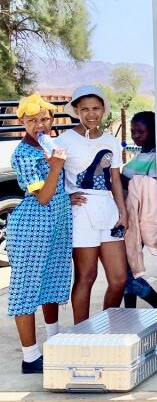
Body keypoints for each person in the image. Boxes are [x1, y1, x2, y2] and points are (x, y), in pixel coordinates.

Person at [7, 93, 73, 374]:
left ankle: (54, 341)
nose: (39, 125)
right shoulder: (23, 154)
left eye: (44, 119)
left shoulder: (50, 146)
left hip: (55, 225)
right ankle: (30, 357)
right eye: (32, 120)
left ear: (52, 120)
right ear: (22, 121)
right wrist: (56, 166)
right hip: (32, 228)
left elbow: (57, 191)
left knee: (51, 283)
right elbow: (43, 197)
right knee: (26, 289)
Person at [55, 85, 129, 324]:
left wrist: (123, 212)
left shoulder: (111, 141)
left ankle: (106, 327)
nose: (91, 114)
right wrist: (65, 198)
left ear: (103, 110)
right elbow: (51, 178)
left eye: (96, 108)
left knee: (119, 279)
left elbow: (115, 179)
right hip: (80, 212)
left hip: (108, 211)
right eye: (85, 109)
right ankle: (81, 332)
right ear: (76, 110)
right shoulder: (64, 141)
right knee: (86, 276)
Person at [120, 110, 157, 309]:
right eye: (132, 132)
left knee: (125, 272)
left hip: (143, 216)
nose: (135, 136)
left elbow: (151, 183)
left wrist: (123, 179)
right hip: (130, 215)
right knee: (129, 264)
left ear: (153, 131)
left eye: (140, 132)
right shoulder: (142, 153)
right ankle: (130, 311)